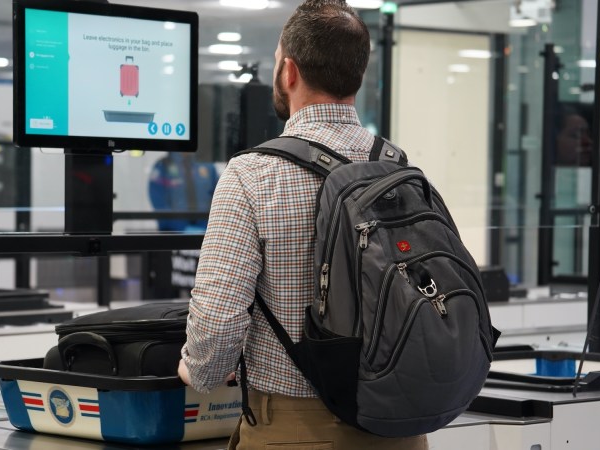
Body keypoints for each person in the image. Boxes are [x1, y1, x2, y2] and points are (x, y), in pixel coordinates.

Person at [177, 1, 429, 448]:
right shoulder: (399, 167)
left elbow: (217, 328)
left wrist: (196, 369)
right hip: (402, 429)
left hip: (297, 431)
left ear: (289, 72)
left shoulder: (251, 174)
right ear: (357, 74)